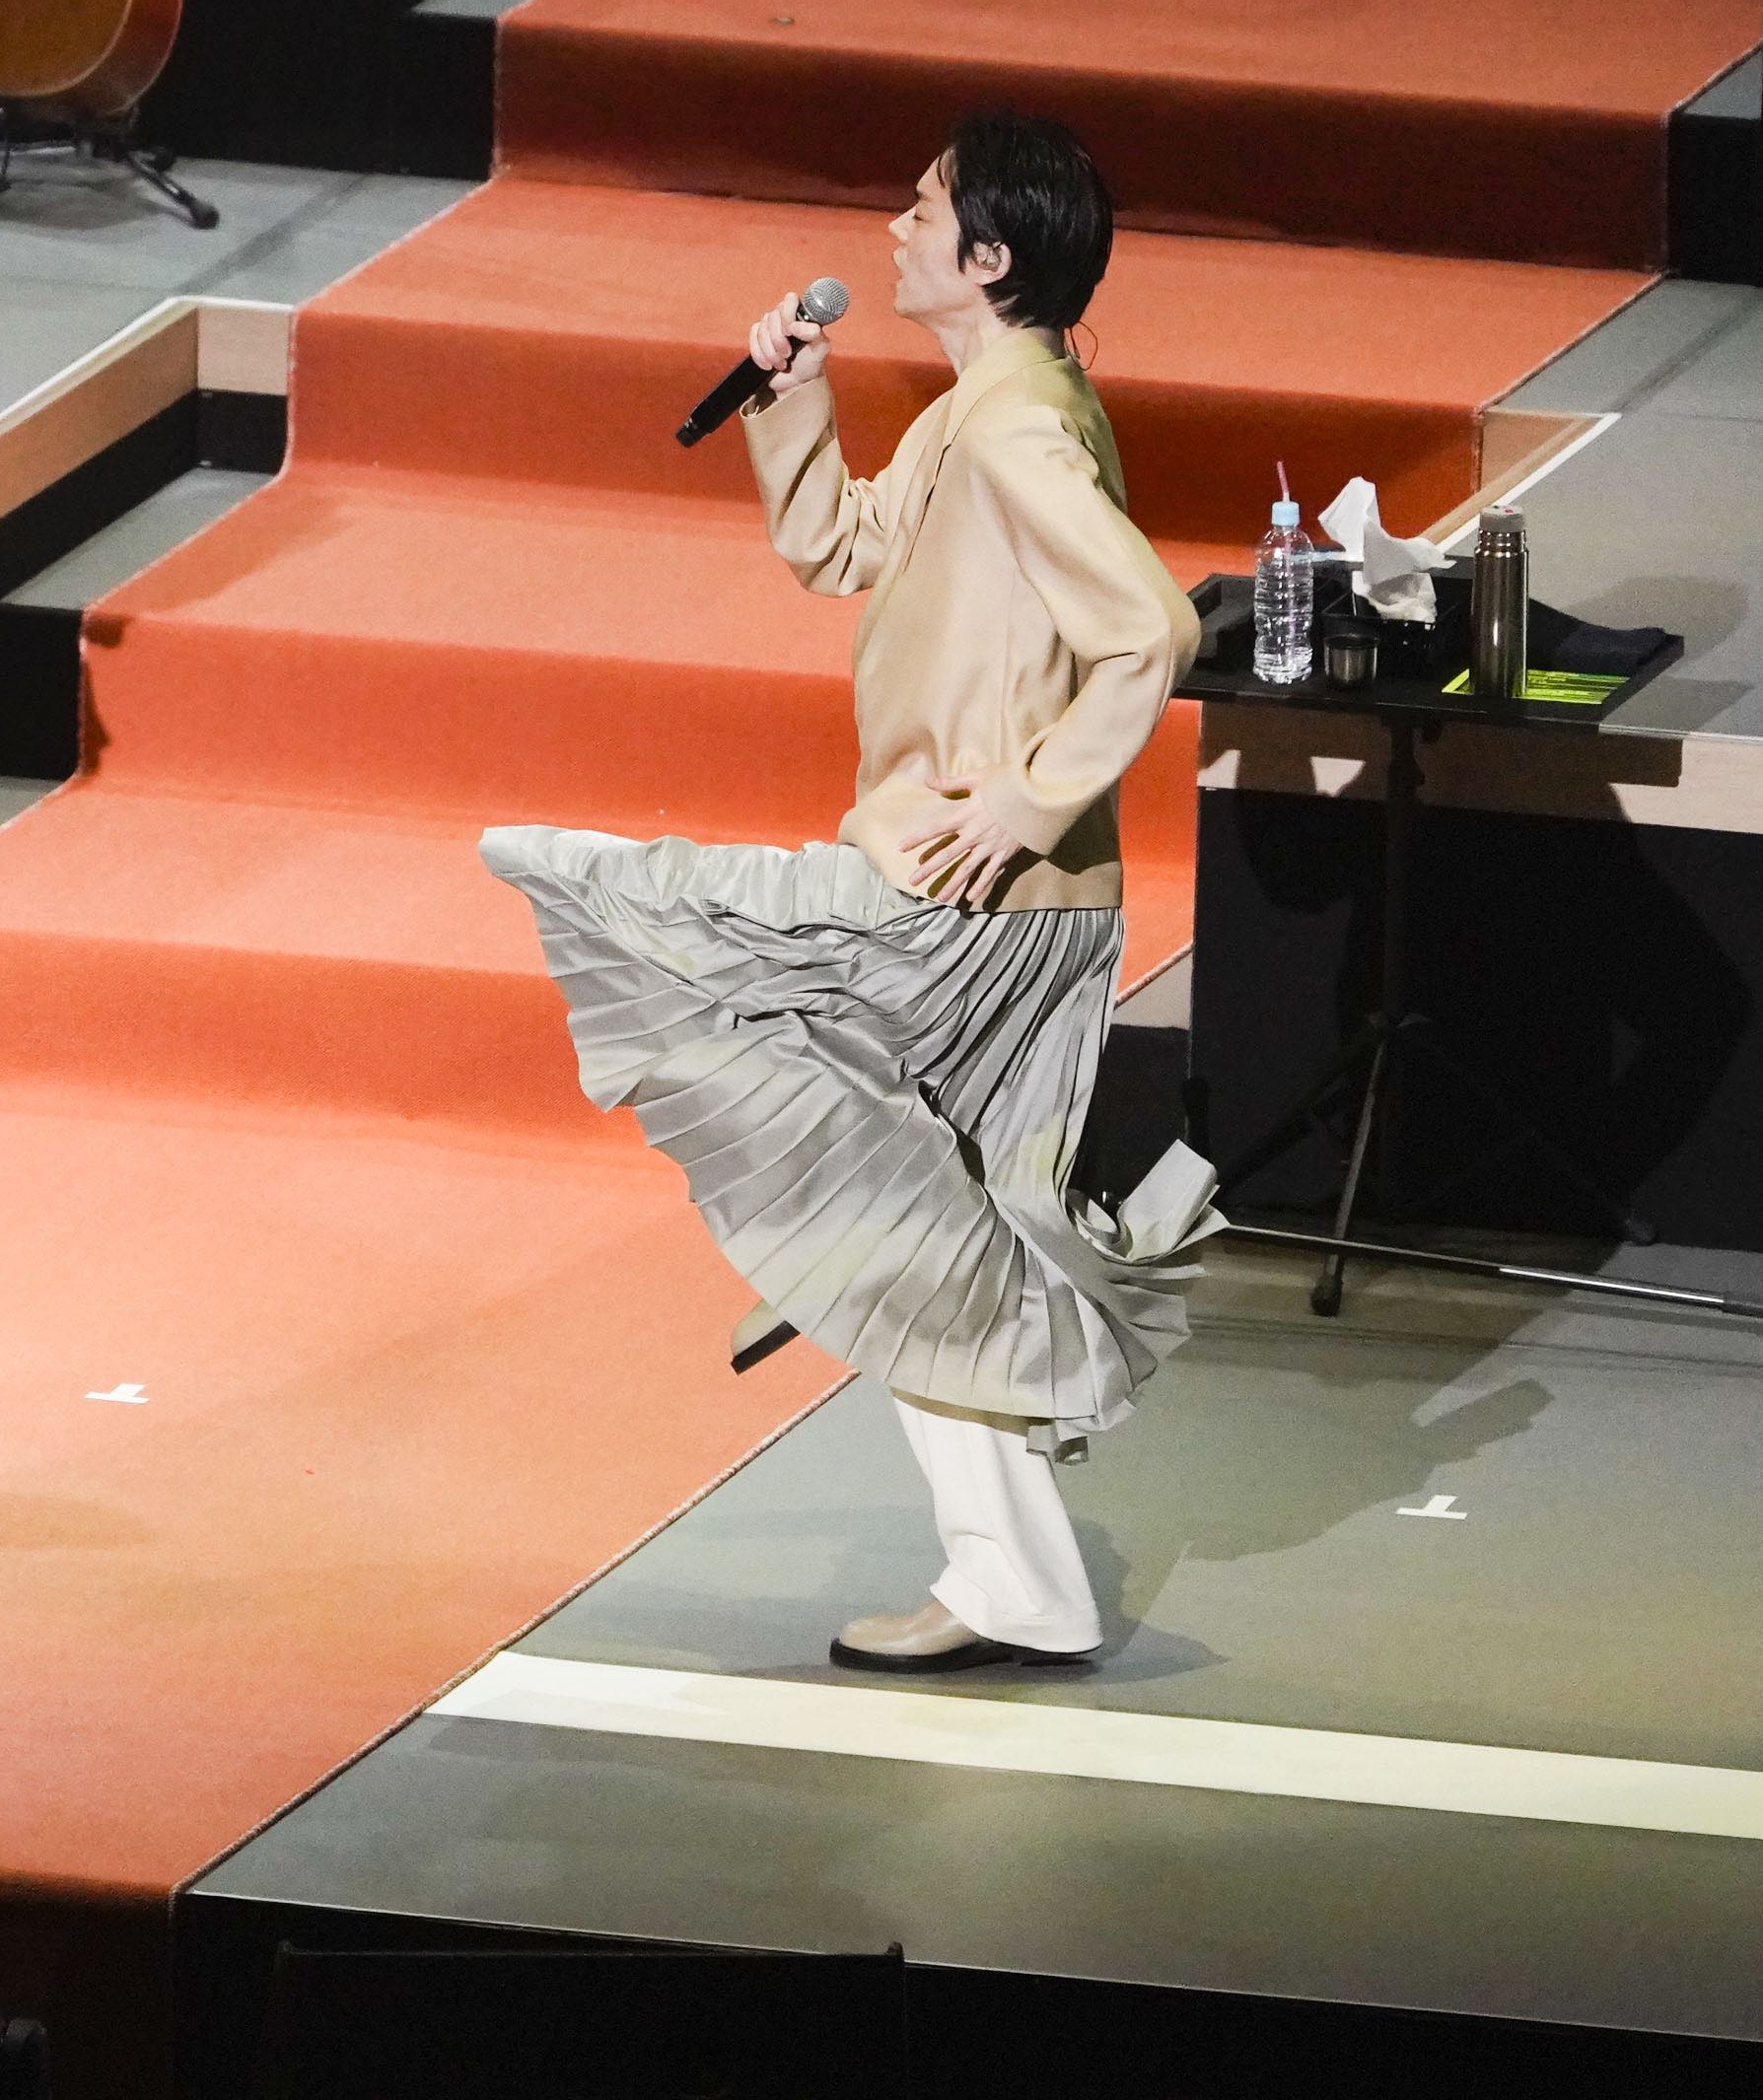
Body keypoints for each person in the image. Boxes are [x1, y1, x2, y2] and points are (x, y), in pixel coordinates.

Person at [483, 110, 1218, 1674]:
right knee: (924, 1229)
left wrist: (1027, 795)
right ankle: (1018, 1581)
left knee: (722, 1001)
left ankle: (1015, 1572)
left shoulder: (1018, 422)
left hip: (981, 893)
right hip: (1001, 893)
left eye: (924, 207)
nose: (893, 226)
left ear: (991, 259)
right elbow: (841, 548)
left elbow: (1152, 631)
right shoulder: (996, 405)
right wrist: (789, 397)